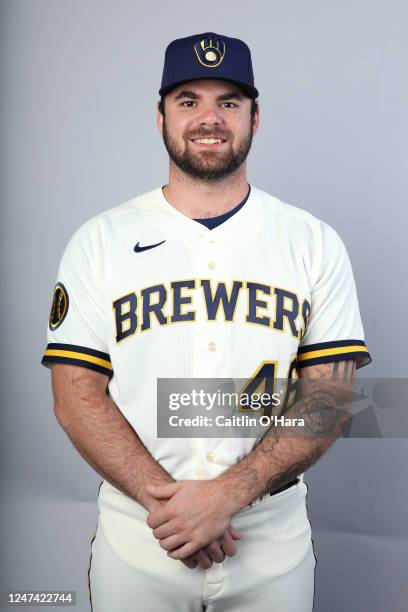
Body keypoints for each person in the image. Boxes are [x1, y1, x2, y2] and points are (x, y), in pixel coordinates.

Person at [41, 32, 372, 612]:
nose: (209, 118)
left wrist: (228, 494)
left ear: (255, 117)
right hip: (140, 534)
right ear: (161, 115)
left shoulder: (312, 242)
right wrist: (174, 509)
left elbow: (333, 394)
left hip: (270, 536)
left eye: (229, 102)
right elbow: (75, 396)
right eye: (189, 100)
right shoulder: (100, 240)